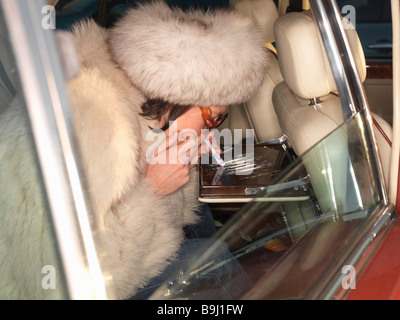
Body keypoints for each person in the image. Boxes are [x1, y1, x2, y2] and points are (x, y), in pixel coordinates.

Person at [0, 1, 268, 299]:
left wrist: (184, 162)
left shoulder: (143, 106)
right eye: (211, 117)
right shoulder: (94, 124)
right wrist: (152, 188)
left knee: (201, 222)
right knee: (205, 260)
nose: (212, 129)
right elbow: (59, 282)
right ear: (173, 100)